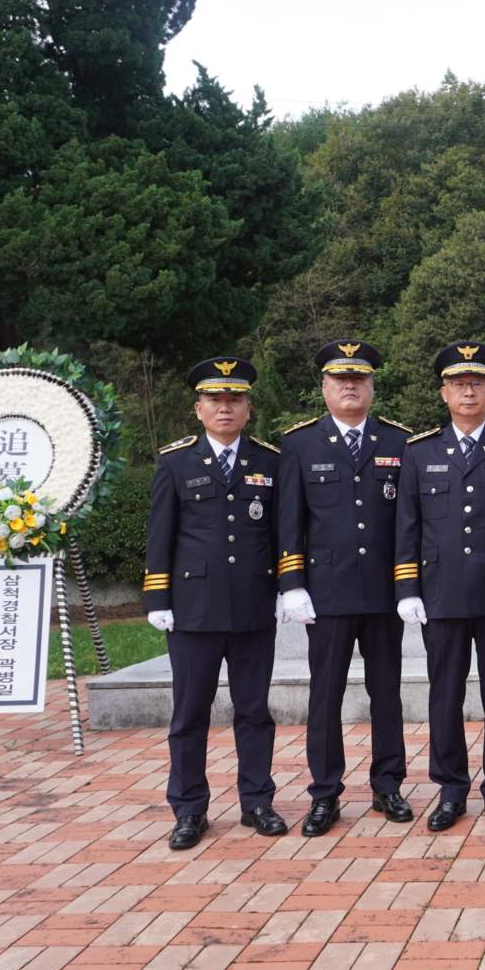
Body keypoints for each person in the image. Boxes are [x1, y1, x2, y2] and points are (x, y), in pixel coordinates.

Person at [394, 341, 485, 832]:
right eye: (459, 384)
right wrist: (407, 589)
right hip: (440, 594)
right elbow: (408, 528)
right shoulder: (418, 453)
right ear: (443, 393)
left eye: (477, 383)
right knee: (445, 693)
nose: (468, 392)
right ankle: (451, 788)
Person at [143, 357, 286, 850]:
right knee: (189, 714)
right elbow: (159, 535)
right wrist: (157, 595)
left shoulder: (269, 462)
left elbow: (281, 533)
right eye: (215, 400)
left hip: (252, 606)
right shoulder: (175, 462)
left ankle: (257, 801)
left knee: (253, 711)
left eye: (234, 399)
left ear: (248, 407)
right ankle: (188, 808)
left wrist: (289, 587)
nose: (225, 408)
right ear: (198, 408)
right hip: (193, 611)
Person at [276, 340, 415, 837]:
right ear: (325, 387)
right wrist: (292, 584)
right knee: (325, 696)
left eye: (359, 379)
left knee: (387, 694)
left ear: (372, 386)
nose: (350, 387)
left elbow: (408, 524)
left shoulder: (400, 443)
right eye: (340, 380)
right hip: (326, 595)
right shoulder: (299, 445)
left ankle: (387, 784)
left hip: (383, 594)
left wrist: (408, 585)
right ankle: (325, 793)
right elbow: (288, 521)